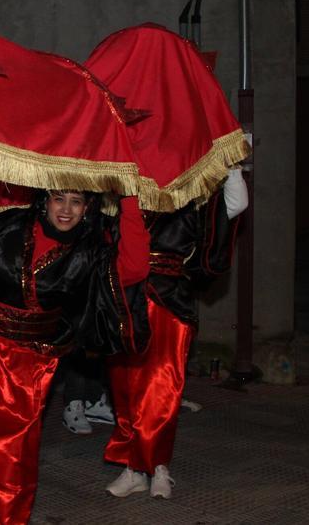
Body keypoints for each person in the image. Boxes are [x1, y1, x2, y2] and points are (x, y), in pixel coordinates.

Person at [0, 189, 148, 525]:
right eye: (60, 199)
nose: (67, 210)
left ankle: (4, 515)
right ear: (45, 200)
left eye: (76, 202)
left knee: (14, 448)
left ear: (87, 208)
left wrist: (129, 197)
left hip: (36, 361)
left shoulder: (90, 249)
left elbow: (133, 266)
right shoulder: (6, 227)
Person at [103, 167, 248, 500]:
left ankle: (158, 467)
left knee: (161, 389)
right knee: (125, 390)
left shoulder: (188, 195)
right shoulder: (120, 191)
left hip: (169, 304)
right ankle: (134, 468)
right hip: (123, 302)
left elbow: (235, 205)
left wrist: (231, 163)